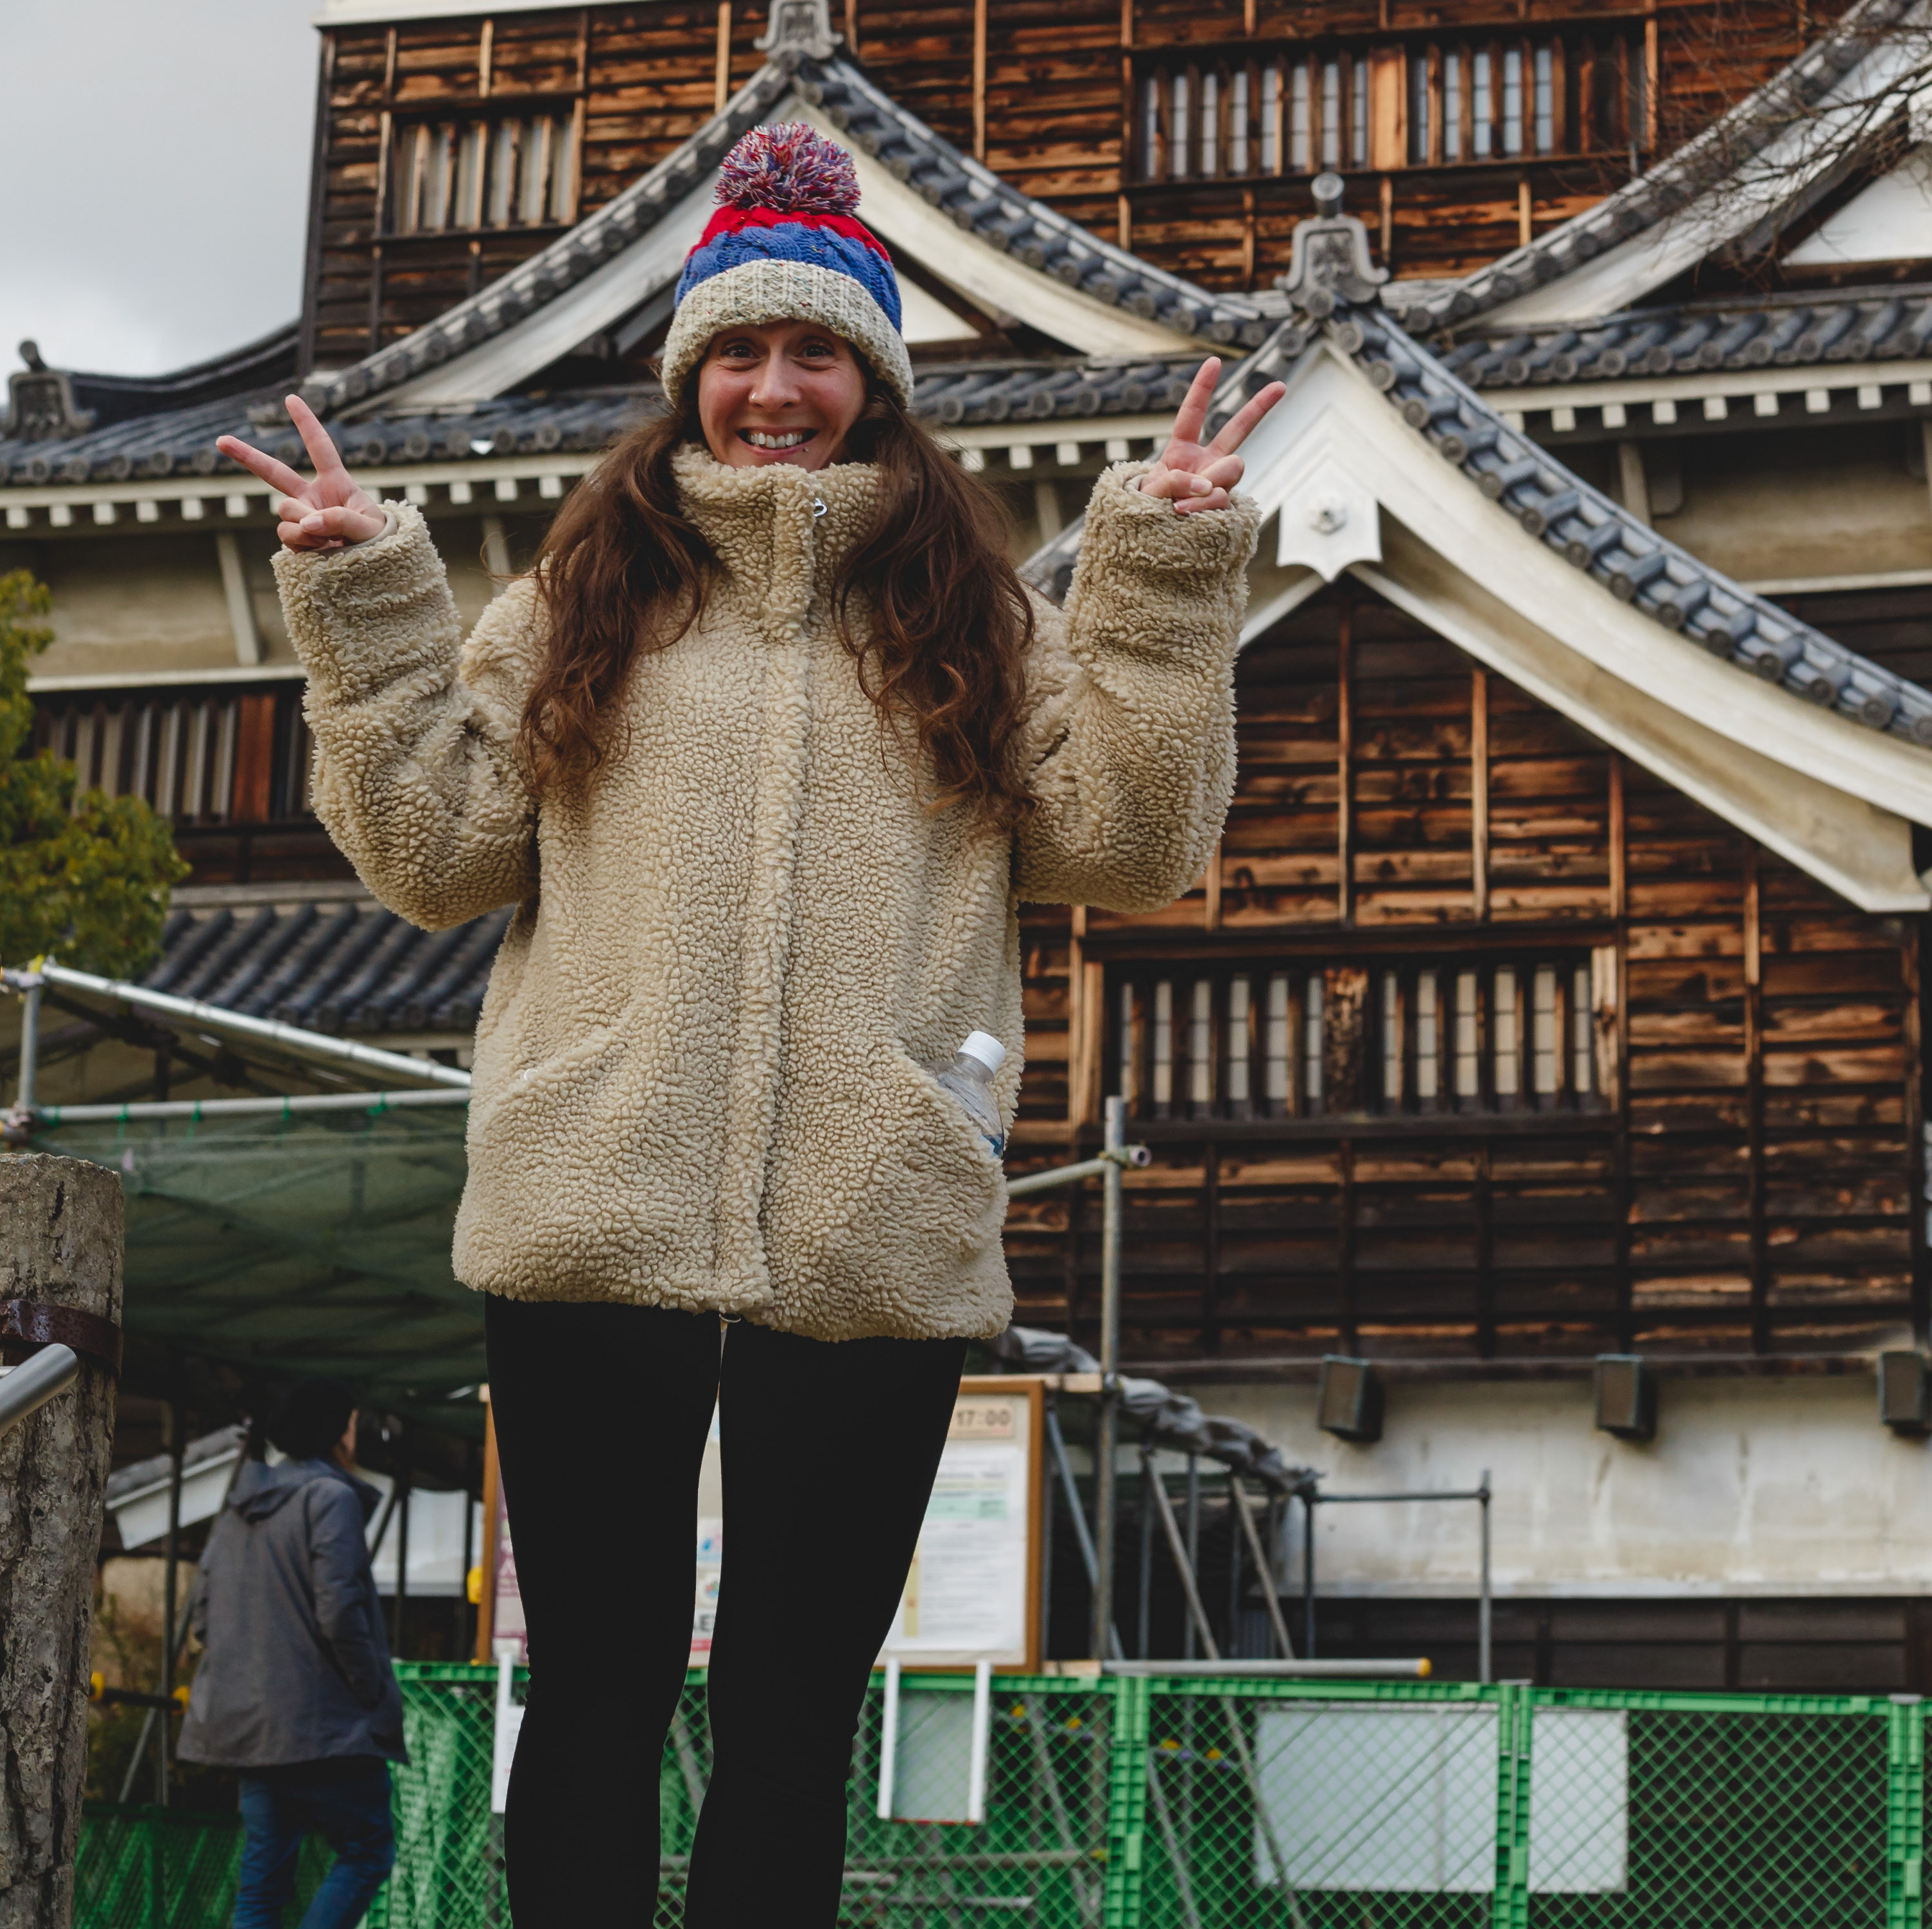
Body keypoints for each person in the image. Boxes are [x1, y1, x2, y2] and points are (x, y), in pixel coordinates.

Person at [216, 121, 1276, 1929]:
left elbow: (1130, 846)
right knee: (599, 1697)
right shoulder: (579, 605)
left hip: (877, 1212)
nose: (771, 391)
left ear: (873, 383)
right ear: (685, 375)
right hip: (588, 1204)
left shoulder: (977, 617)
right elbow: (431, 861)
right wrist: (370, 612)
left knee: (796, 1708)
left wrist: (1164, 590)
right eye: (736, 353)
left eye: (814, 356)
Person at [176, 1378, 402, 1929]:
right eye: (351, 1422)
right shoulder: (331, 1498)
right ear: (337, 1432)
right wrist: (370, 1689)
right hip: (325, 1727)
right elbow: (341, 1611)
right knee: (368, 1851)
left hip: (249, 1731)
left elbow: (202, 1615)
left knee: (262, 1884)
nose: (355, 1434)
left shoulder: (238, 1507)